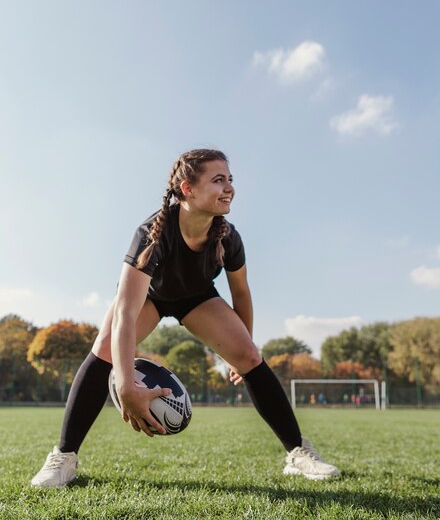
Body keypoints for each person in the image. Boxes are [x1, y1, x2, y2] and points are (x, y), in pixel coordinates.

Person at [31, 148, 340, 488]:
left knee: (251, 355)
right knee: (105, 346)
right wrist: (125, 383)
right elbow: (125, 312)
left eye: (230, 180)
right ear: (187, 189)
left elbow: (241, 295)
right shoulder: (152, 233)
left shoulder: (228, 237)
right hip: (150, 297)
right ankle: (64, 457)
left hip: (196, 297)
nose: (230, 188)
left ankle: (298, 453)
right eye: (218, 180)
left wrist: (238, 355)